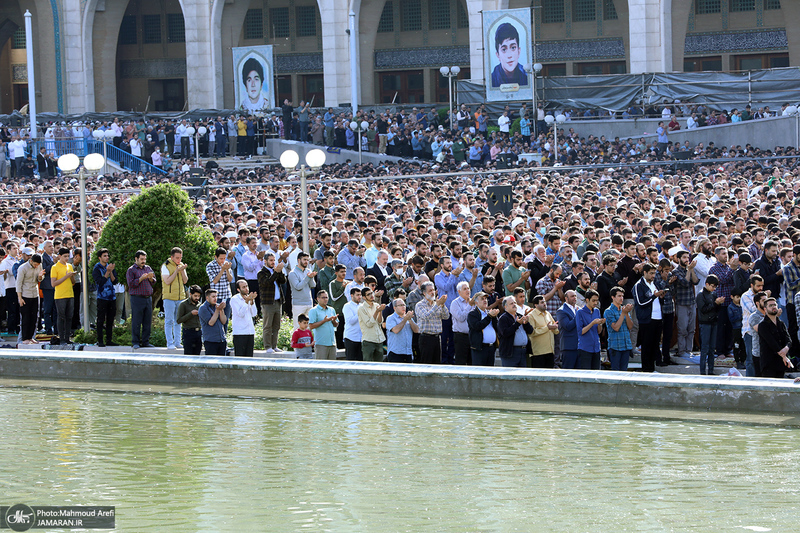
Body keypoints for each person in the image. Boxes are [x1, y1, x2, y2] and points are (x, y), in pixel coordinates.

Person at [633, 263, 665, 372]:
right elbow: (640, 303)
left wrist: (661, 297)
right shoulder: (639, 285)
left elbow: (657, 301)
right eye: (651, 273)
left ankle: (652, 368)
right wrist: (654, 297)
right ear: (644, 273)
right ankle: (646, 369)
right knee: (646, 346)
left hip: (658, 318)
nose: (653, 276)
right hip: (647, 320)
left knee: (655, 345)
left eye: (654, 273)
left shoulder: (655, 284)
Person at [126, 250, 156, 349]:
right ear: (136, 259)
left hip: (148, 298)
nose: (143, 261)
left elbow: (154, 281)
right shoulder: (131, 270)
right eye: (141, 259)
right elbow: (131, 284)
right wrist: (140, 279)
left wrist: (151, 278)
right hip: (137, 298)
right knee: (137, 321)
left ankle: (146, 341)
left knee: (147, 321)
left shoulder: (148, 268)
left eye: (144, 259)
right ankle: (135, 342)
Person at [414, 281, 449, 364]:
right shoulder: (420, 305)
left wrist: (443, 305)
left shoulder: (437, 303)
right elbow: (426, 316)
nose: (433, 292)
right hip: (426, 338)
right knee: (426, 364)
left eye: (433, 290)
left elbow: (446, 316)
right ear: (424, 293)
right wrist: (437, 305)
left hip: (437, 338)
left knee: (437, 364)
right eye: (430, 291)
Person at [257, 254, 286, 354]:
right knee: (267, 325)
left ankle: (274, 345)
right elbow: (267, 283)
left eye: (274, 260)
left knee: (276, 326)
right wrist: (275, 273)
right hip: (268, 303)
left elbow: (283, 281)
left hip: (278, 302)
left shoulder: (275, 270)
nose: (273, 262)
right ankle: (268, 346)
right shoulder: (261, 273)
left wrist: (280, 271)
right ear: (265, 261)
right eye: (271, 260)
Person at [696, 274, 725, 375]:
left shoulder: (713, 294)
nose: (714, 288)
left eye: (715, 286)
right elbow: (703, 309)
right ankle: (703, 371)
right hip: (705, 323)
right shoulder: (700, 295)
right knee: (704, 348)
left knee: (712, 348)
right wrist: (715, 304)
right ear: (707, 284)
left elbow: (716, 309)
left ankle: (711, 370)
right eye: (712, 286)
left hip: (713, 322)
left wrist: (719, 303)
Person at [161, 247, 188, 350]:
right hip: (169, 297)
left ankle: (178, 342)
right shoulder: (165, 266)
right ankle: (170, 343)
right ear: (172, 257)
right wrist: (176, 271)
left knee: (178, 321)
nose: (179, 260)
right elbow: (167, 281)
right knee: (169, 320)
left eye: (180, 258)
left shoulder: (180, 265)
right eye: (177, 258)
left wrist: (182, 271)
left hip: (180, 297)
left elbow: (185, 281)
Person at [758, 297, 793, 378]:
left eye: (775, 305)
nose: (773, 307)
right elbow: (772, 343)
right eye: (770, 305)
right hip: (769, 364)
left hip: (781, 363)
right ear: (765, 309)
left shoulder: (781, 323)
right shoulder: (763, 325)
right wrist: (784, 356)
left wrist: (786, 349)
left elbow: (788, 339)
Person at [92, 248, 118, 347]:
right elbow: (100, 282)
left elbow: (114, 281)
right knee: (101, 319)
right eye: (104, 256)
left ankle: (109, 339)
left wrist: (111, 271)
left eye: (107, 256)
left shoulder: (110, 267)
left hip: (112, 297)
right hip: (102, 297)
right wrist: (107, 272)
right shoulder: (97, 268)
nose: (107, 258)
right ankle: (100, 340)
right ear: (100, 257)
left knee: (110, 319)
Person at [16, 251, 44, 344]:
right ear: (31, 261)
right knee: (26, 317)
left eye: (38, 265)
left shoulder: (39, 266)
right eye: (35, 264)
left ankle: (31, 337)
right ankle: (25, 338)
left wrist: (40, 277)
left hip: (35, 294)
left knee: (34, 317)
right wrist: (20, 298)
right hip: (25, 294)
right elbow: (18, 283)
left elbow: (39, 279)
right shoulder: (22, 268)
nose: (36, 266)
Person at [50, 247, 76, 345]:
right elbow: (53, 283)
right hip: (60, 295)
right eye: (64, 256)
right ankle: (61, 338)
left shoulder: (69, 266)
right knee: (61, 317)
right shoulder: (55, 267)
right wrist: (66, 276)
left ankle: (67, 337)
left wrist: (72, 276)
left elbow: (73, 282)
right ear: (59, 256)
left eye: (67, 256)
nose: (66, 258)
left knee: (69, 317)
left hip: (70, 294)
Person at [604, 287, 634, 371]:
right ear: (613, 297)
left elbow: (630, 326)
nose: (621, 298)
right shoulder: (608, 311)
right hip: (615, 346)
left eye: (622, 296)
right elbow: (616, 327)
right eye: (619, 296)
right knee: (616, 371)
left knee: (624, 371)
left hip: (626, 345)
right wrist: (623, 313)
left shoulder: (624, 310)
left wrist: (626, 314)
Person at [490, 22, 528, 87]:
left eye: (513, 48)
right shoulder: (492, 79)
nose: (509, 55)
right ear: (498, 55)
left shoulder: (527, 76)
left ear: (519, 51)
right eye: (504, 49)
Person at [497, 296, 531, 367]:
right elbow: (505, 333)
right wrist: (517, 324)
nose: (514, 304)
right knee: (510, 376)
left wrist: (526, 323)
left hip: (523, 351)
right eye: (511, 303)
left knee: (522, 376)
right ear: (505, 307)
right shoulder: (503, 318)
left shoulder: (520, 316)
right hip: (511, 352)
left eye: (515, 302)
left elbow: (531, 331)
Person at [467, 292, 499, 366]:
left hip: (491, 348)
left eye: (486, 299)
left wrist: (494, 317)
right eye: (482, 299)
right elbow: (477, 326)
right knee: (479, 371)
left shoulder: (489, 313)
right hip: (480, 348)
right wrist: (489, 316)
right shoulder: (472, 314)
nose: (485, 300)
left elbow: (496, 327)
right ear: (476, 302)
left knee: (490, 372)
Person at [528, 294, 558, 369]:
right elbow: (532, 333)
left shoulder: (548, 314)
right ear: (536, 305)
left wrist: (554, 327)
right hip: (538, 353)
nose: (544, 304)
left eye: (544, 302)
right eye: (542, 302)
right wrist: (547, 328)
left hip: (550, 351)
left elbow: (555, 331)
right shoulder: (531, 316)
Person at [575, 289, 604, 370]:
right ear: (587, 300)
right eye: (593, 300)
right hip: (585, 348)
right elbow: (580, 332)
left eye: (597, 301)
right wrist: (592, 323)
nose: (595, 303)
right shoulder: (580, 312)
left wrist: (600, 323)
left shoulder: (597, 311)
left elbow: (599, 331)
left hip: (596, 348)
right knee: (586, 374)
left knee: (596, 373)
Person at [229, 279, 257, 357]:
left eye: (247, 286)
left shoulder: (249, 298)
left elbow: (254, 314)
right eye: (243, 287)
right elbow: (240, 314)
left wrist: (251, 301)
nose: (246, 288)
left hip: (250, 332)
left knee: (249, 357)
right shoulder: (234, 299)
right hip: (240, 333)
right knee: (240, 357)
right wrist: (246, 302)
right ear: (238, 289)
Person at [288, 252, 316, 328]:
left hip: (309, 303)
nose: (306, 262)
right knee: (298, 328)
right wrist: (308, 278)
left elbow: (313, 285)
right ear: (298, 260)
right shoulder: (293, 273)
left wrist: (311, 277)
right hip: (298, 304)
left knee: (308, 328)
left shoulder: (308, 271)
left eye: (307, 260)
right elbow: (298, 287)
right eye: (304, 259)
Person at [308, 290, 338, 360]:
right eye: (323, 297)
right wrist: (324, 321)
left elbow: (336, 325)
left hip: (332, 343)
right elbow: (311, 326)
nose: (325, 299)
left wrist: (334, 321)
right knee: (321, 368)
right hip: (321, 344)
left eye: (326, 297)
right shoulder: (313, 311)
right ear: (318, 299)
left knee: (332, 368)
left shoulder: (331, 309)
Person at [450, 281, 475, 365]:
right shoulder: (455, 303)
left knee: (472, 361)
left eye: (468, 288)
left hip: (472, 335)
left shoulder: (473, 302)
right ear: (459, 291)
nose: (468, 290)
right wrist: (469, 306)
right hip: (460, 336)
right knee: (461, 361)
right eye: (465, 289)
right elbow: (461, 317)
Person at [386, 299, 418, 363]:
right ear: (394, 308)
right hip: (395, 353)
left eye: (404, 305)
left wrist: (410, 320)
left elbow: (417, 330)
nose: (403, 307)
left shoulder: (408, 318)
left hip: (408, 352)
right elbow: (396, 330)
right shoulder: (391, 318)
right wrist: (405, 320)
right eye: (400, 305)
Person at [358, 287, 385, 362]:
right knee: (368, 366)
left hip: (379, 339)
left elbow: (380, 322)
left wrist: (380, 311)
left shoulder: (376, 304)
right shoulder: (361, 308)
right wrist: (377, 311)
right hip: (369, 341)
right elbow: (369, 324)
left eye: (372, 293)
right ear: (364, 297)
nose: (371, 295)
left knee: (379, 365)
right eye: (368, 294)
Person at [198, 289, 227, 356]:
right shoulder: (203, 308)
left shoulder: (217, 306)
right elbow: (211, 322)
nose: (215, 298)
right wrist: (217, 310)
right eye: (213, 297)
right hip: (211, 341)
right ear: (207, 298)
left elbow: (224, 321)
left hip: (221, 340)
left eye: (216, 296)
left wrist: (221, 310)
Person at [177, 285, 203, 355]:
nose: (197, 298)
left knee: (197, 355)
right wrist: (190, 314)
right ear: (190, 294)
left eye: (198, 296)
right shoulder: (183, 304)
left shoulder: (200, 305)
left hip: (198, 332)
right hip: (188, 332)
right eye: (195, 296)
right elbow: (179, 320)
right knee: (188, 355)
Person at [556, 290, 579, 369]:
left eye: (575, 296)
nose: (575, 298)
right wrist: (578, 315)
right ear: (566, 298)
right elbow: (567, 326)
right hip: (568, 347)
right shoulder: (561, 311)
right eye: (572, 296)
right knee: (568, 371)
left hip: (579, 346)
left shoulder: (577, 309)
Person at [342, 287, 363, 361]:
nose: (359, 297)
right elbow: (351, 321)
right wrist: (360, 312)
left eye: (360, 295)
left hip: (361, 338)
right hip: (350, 338)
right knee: (350, 361)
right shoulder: (347, 306)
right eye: (357, 295)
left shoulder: (361, 306)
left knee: (360, 362)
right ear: (351, 295)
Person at [728, 289, 745, 370]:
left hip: (743, 328)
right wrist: (741, 316)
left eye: (740, 297)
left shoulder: (742, 306)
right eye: (737, 297)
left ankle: (742, 361)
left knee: (743, 346)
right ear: (732, 297)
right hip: (736, 329)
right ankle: (738, 362)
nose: (739, 299)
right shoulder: (730, 307)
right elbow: (732, 319)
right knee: (736, 346)